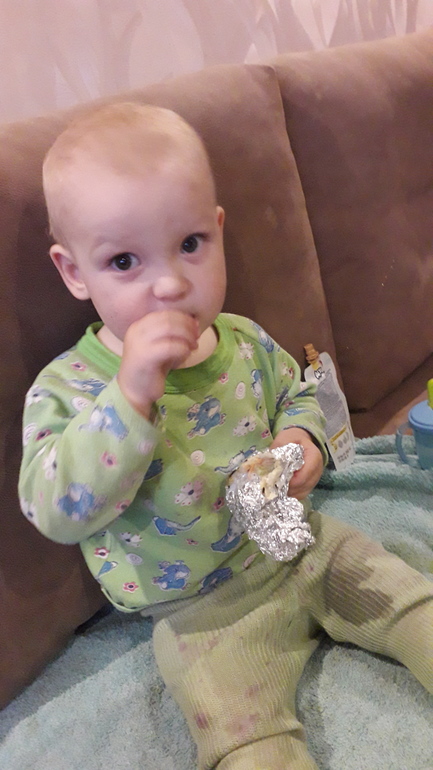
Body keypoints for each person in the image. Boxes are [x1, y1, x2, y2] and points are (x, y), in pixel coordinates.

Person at [19, 102, 433, 770]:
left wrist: (300, 440)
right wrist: (130, 397)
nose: (169, 284)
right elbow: (55, 508)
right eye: (123, 260)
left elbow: (301, 393)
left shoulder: (242, 339)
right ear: (74, 273)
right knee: (246, 743)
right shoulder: (69, 388)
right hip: (201, 613)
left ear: (217, 231)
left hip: (303, 544)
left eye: (189, 245)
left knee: (413, 604)